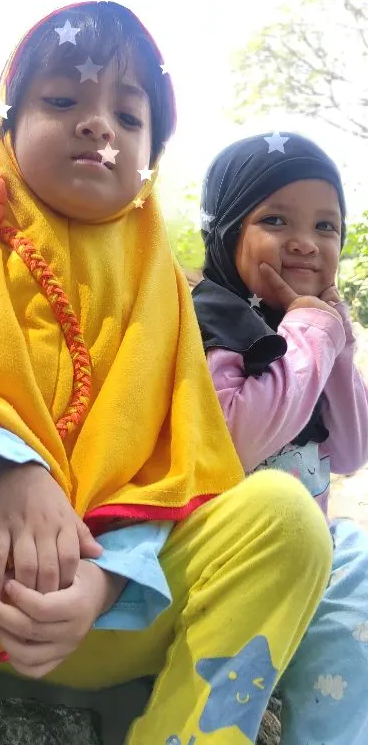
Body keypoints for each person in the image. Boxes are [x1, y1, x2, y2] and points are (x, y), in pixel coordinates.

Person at [0, 8, 332, 744]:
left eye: (129, 117)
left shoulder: (162, 289)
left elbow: (178, 462)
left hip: (104, 615)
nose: (99, 126)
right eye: (63, 100)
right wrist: (0, 464)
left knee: (285, 517)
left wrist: (106, 582)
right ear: (4, 119)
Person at [193, 131, 368, 745]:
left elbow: (348, 451)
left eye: (327, 226)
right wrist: (311, 335)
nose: (306, 241)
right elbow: (237, 434)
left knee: (361, 591)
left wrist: (335, 341)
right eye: (275, 219)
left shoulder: (308, 325)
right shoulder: (212, 318)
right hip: (235, 564)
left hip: (312, 554)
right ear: (226, 230)